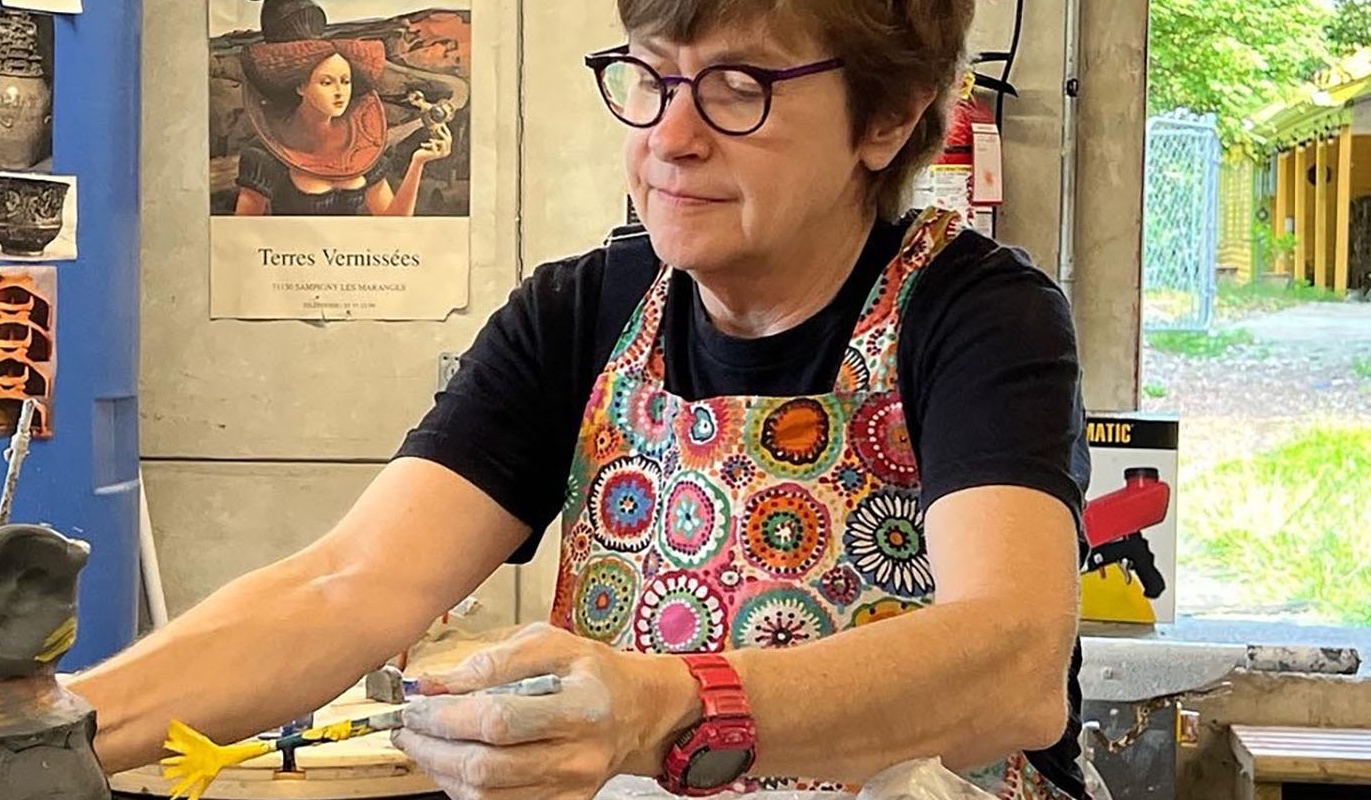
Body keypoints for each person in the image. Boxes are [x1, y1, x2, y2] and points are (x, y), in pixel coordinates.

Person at [75, 0, 1090, 797]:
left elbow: (1011, 661)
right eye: (649, 78)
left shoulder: (975, 316)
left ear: (889, 116)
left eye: (739, 89)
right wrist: (45, 723)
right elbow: (345, 585)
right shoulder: (580, 311)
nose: (671, 136)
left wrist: (666, 706)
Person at [231, 0, 453, 217]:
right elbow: (242, 236)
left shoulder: (362, 144)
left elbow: (394, 222)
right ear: (300, 87)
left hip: (356, 254)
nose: (340, 92)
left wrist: (418, 161)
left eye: (345, 81)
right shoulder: (263, 155)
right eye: (327, 82)